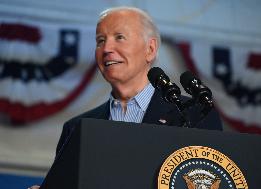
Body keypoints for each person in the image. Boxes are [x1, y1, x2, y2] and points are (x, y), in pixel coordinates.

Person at [29, 6, 222, 189]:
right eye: (100, 40)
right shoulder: (76, 128)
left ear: (150, 49)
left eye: (119, 37)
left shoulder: (194, 113)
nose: (106, 49)